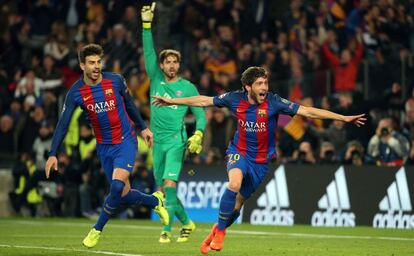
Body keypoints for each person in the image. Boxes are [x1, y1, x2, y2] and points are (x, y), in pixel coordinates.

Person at [152, 66, 366, 254]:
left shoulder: (274, 102)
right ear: (248, 86)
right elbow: (203, 100)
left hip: (261, 162)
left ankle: (218, 229)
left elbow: (308, 111)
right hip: (239, 152)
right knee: (234, 184)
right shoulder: (234, 99)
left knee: (237, 205)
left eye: (266, 82)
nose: (265, 87)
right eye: (260, 83)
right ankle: (220, 234)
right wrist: (172, 100)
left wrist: (343, 118)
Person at [44, 43, 169, 248]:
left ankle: (97, 229)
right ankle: (156, 202)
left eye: (98, 62)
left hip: (126, 141)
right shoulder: (76, 92)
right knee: (124, 195)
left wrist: (143, 128)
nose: (96, 66)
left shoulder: (116, 80)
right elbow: (63, 124)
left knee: (117, 185)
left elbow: (129, 105)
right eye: (91, 63)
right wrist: (53, 153)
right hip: (104, 147)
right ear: (82, 65)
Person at [141, 3, 207, 243]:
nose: (171, 65)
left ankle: (166, 230)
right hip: (156, 142)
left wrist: (198, 133)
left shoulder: (187, 87)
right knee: (164, 191)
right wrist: (146, 26)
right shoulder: (156, 79)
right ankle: (187, 223)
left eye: (174, 62)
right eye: (167, 62)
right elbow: (148, 52)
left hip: (176, 142)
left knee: (169, 184)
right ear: (161, 66)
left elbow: (200, 113)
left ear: (178, 65)